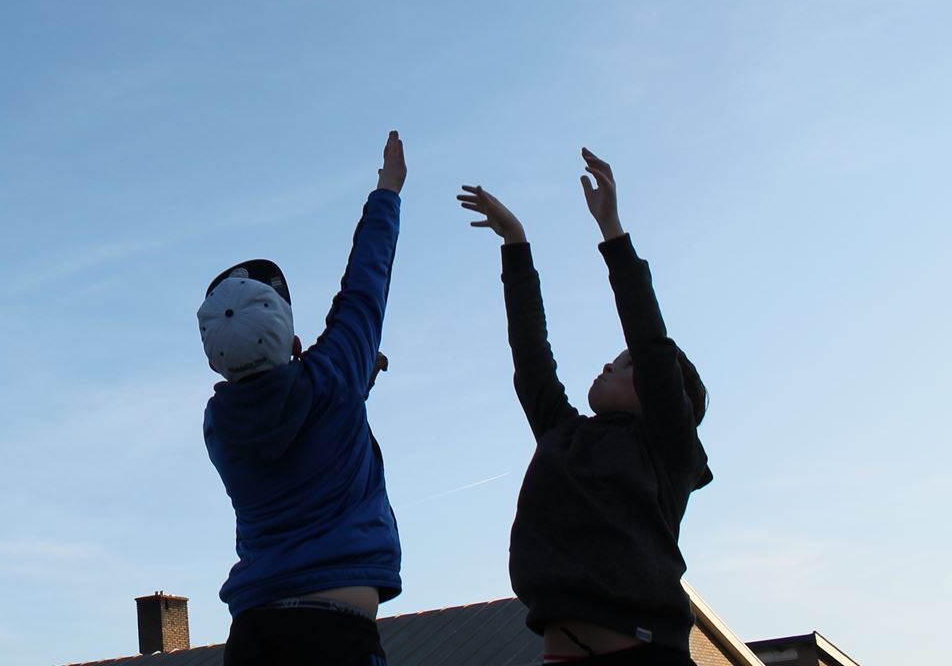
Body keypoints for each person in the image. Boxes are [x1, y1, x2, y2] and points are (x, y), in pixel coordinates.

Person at [458, 149, 711, 666]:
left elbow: (650, 339)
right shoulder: (562, 433)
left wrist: (612, 229)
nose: (607, 366)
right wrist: (516, 244)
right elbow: (531, 355)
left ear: (662, 395)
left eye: (623, 366)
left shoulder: (665, 448)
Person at [198, 130, 404, 666]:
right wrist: (387, 190)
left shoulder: (219, 427)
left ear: (214, 361)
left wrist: (355, 379)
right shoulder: (332, 378)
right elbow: (366, 283)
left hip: (253, 635)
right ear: (293, 343)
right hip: (336, 637)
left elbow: (297, 411)